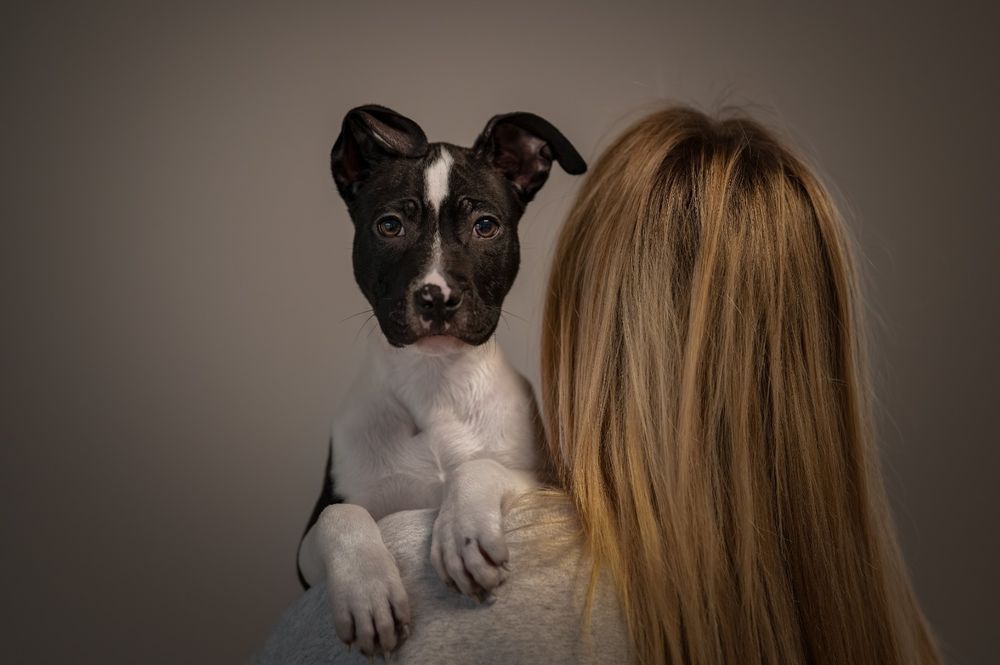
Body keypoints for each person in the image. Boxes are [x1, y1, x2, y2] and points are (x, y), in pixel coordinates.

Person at [254, 106, 941, 665]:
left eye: (485, 228)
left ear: (584, 322)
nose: (438, 277)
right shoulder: (898, 630)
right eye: (397, 226)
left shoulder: (421, 583)